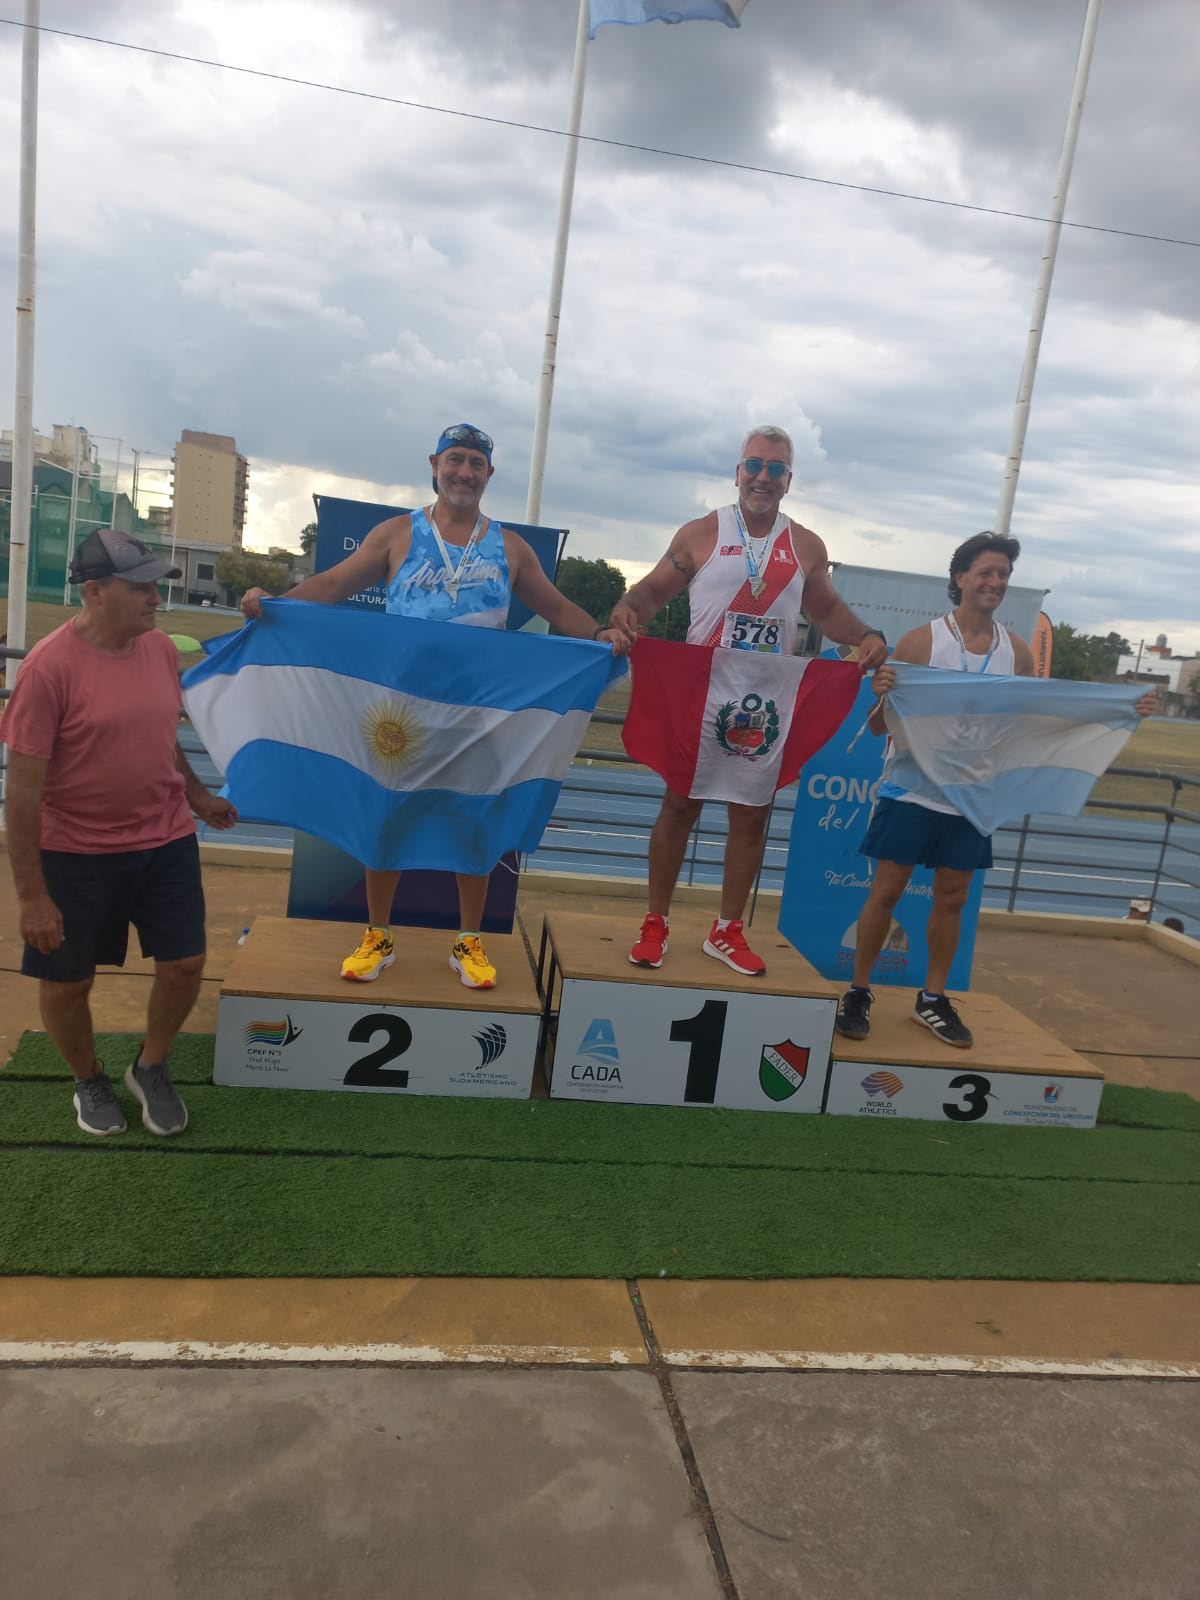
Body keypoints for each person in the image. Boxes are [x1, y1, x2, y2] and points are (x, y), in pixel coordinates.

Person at [241, 423, 633, 989]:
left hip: (479, 717)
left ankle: (468, 940)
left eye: (476, 463)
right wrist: (276, 606)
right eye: (455, 460)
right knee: (387, 818)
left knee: (473, 822)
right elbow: (330, 585)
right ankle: (378, 934)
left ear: (489, 475)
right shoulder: (397, 534)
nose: (465, 472)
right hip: (399, 715)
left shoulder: (509, 546)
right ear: (434, 464)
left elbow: (558, 606)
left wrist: (599, 636)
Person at [835, 532, 1158, 1048]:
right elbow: (880, 728)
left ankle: (933, 999)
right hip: (912, 790)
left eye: (1003, 575)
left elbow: (1033, 722)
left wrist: (1123, 708)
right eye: (985, 572)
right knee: (888, 890)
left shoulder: (1018, 652)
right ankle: (858, 990)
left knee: (952, 897)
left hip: (970, 794)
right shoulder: (923, 641)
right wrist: (882, 697)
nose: (995, 582)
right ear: (960, 579)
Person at [606, 424, 887, 976]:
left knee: (752, 817)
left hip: (766, 697)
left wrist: (865, 636)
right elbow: (653, 590)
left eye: (775, 468)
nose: (763, 477)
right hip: (702, 690)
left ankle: (727, 929)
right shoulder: (701, 532)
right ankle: (655, 921)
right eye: (754, 465)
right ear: (738, 472)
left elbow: (826, 612)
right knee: (680, 806)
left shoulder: (805, 544)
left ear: (788, 480)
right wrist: (626, 609)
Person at [0, 529, 238, 1136]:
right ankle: (88, 1078)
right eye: (139, 588)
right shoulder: (47, 669)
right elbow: (23, 791)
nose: (154, 599)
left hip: (164, 839)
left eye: (154, 586)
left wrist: (198, 796)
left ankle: (151, 1067)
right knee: (69, 979)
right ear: (94, 591)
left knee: (186, 962)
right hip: (74, 853)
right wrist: (31, 894)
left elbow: (162, 741)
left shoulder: (158, 649)